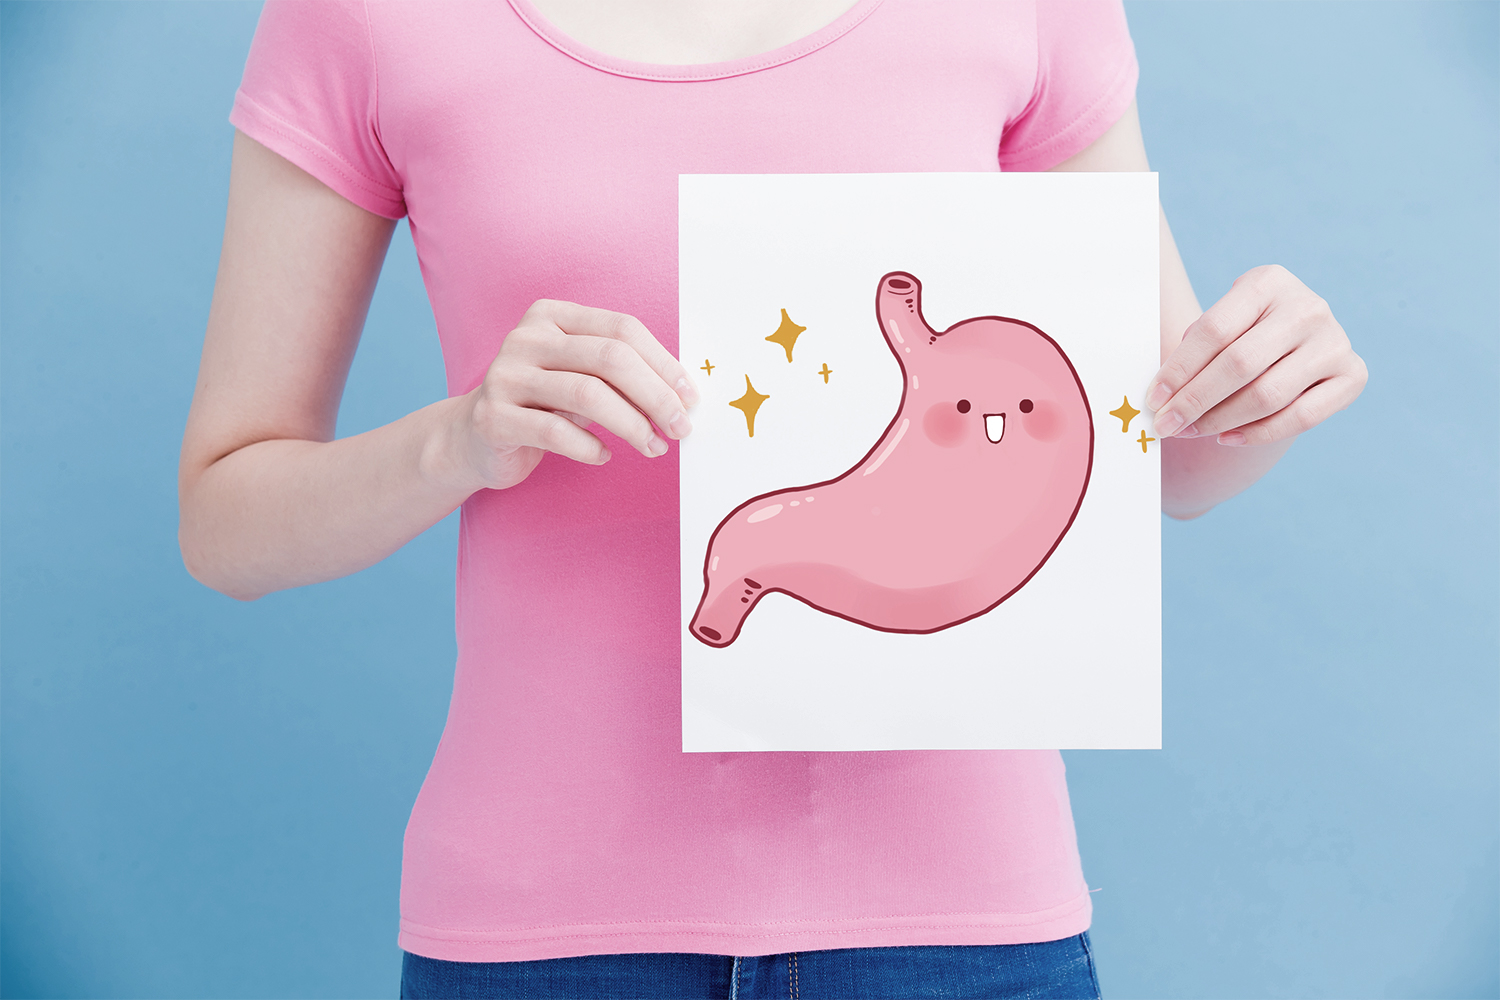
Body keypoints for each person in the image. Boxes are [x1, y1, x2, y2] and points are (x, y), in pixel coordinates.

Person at [177, 2, 1367, 997]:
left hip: (965, 929)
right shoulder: (364, 16)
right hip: (542, 933)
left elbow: (1162, 457)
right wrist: (457, 439)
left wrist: (1269, 388)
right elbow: (225, 520)